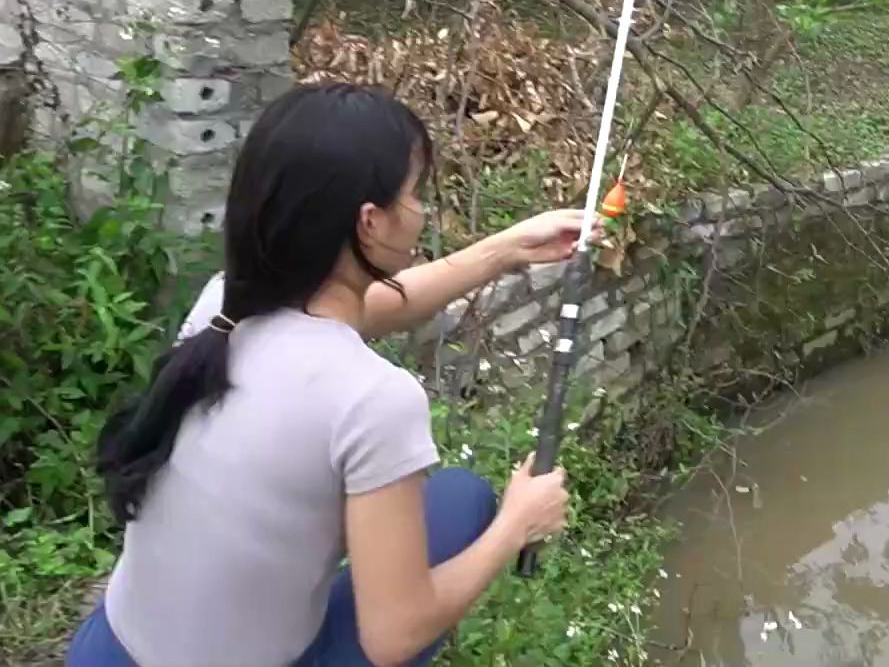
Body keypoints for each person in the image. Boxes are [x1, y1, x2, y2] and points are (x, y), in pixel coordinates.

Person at [66, 82, 590, 667]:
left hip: (106, 652)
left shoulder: (221, 308)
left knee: (448, 498)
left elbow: (375, 307)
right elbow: (394, 638)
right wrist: (515, 526)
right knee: (468, 505)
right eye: (416, 193)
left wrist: (506, 249)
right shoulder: (374, 400)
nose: (423, 210)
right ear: (370, 221)